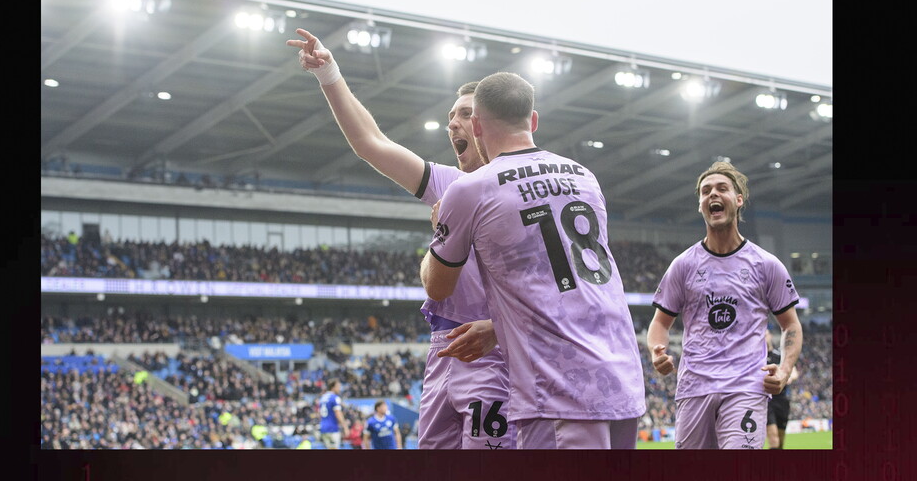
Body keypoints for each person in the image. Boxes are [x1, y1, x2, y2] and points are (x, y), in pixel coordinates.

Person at [287, 28, 513, 450]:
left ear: (488, 123)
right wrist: (329, 74)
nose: (453, 124)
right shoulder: (450, 183)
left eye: (465, 113)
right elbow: (370, 143)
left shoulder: (518, 186)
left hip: (493, 349)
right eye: (450, 117)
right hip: (443, 349)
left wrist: (502, 328)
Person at [420, 72, 646, 449]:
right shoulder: (584, 177)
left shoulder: (471, 188)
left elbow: (438, 285)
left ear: (476, 126)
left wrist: (438, 232)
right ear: (534, 119)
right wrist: (497, 328)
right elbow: (565, 281)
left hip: (558, 390)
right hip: (621, 379)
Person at [647, 161, 803, 450]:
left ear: (739, 200)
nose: (712, 195)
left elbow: (791, 324)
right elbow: (659, 322)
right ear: (700, 205)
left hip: (745, 387)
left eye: (722, 188)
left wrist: (784, 370)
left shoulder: (766, 265)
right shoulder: (683, 265)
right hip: (694, 387)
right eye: (705, 191)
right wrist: (657, 352)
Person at [765, 329, 798, 449]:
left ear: (770, 336)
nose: (764, 336)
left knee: (781, 441)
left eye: (766, 334)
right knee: (773, 438)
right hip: (767, 400)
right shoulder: (758, 357)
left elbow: (793, 372)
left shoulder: (779, 355)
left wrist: (787, 377)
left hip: (782, 400)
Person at [318, 379, 349, 449]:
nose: (339, 389)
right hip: (332, 428)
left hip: (323, 428)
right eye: (338, 386)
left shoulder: (322, 397)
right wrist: (345, 427)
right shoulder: (335, 398)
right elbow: (338, 413)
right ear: (333, 387)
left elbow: (319, 414)